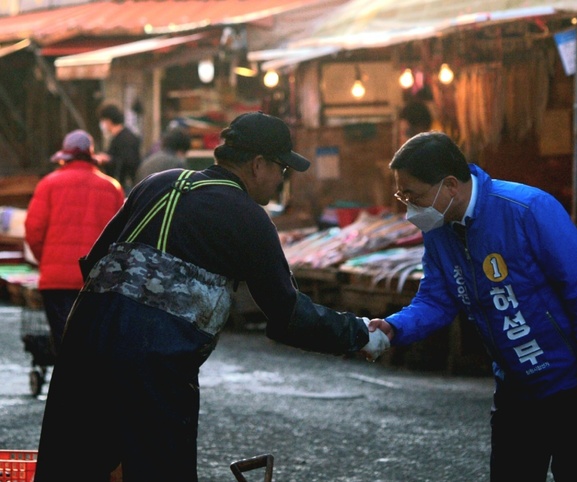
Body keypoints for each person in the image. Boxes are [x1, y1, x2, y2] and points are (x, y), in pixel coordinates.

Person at [33, 111, 389, 482]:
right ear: (258, 164)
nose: (282, 178)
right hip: (156, 364)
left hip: (82, 345)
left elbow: (93, 261)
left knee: (70, 467)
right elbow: (288, 316)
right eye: (281, 168)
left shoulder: (157, 183)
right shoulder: (250, 218)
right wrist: (359, 333)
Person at [367, 131, 577, 481]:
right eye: (403, 194)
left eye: (413, 195)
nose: (408, 206)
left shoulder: (527, 209)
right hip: (514, 388)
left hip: (569, 383)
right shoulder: (439, 228)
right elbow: (437, 298)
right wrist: (395, 327)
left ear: (451, 185)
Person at [24, 129, 125, 355]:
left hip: (57, 281)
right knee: (94, 345)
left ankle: (67, 388)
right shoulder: (112, 187)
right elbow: (123, 237)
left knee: (65, 345)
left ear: (65, 156)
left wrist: (47, 259)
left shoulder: (48, 184)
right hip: (98, 280)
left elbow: (33, 229)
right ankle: (92, 388)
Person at [95, 103, 142, 192]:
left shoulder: (125, 138)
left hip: (126, 187)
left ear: (108, 121)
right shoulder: (120, 137)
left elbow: (127, 162)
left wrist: (108, 160)